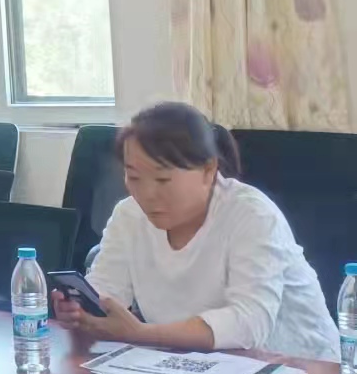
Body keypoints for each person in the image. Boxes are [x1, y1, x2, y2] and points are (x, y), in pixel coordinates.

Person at [53, 102, 339, 360]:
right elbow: (105, 294)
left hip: (305, 372)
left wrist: (142, 334)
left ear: (208, 171)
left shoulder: (251, 214)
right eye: (135, 177)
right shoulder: (128, 216)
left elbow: (250, 323)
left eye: (162, 179)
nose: (147, 194)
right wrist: (81, 312)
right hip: (198, 370)